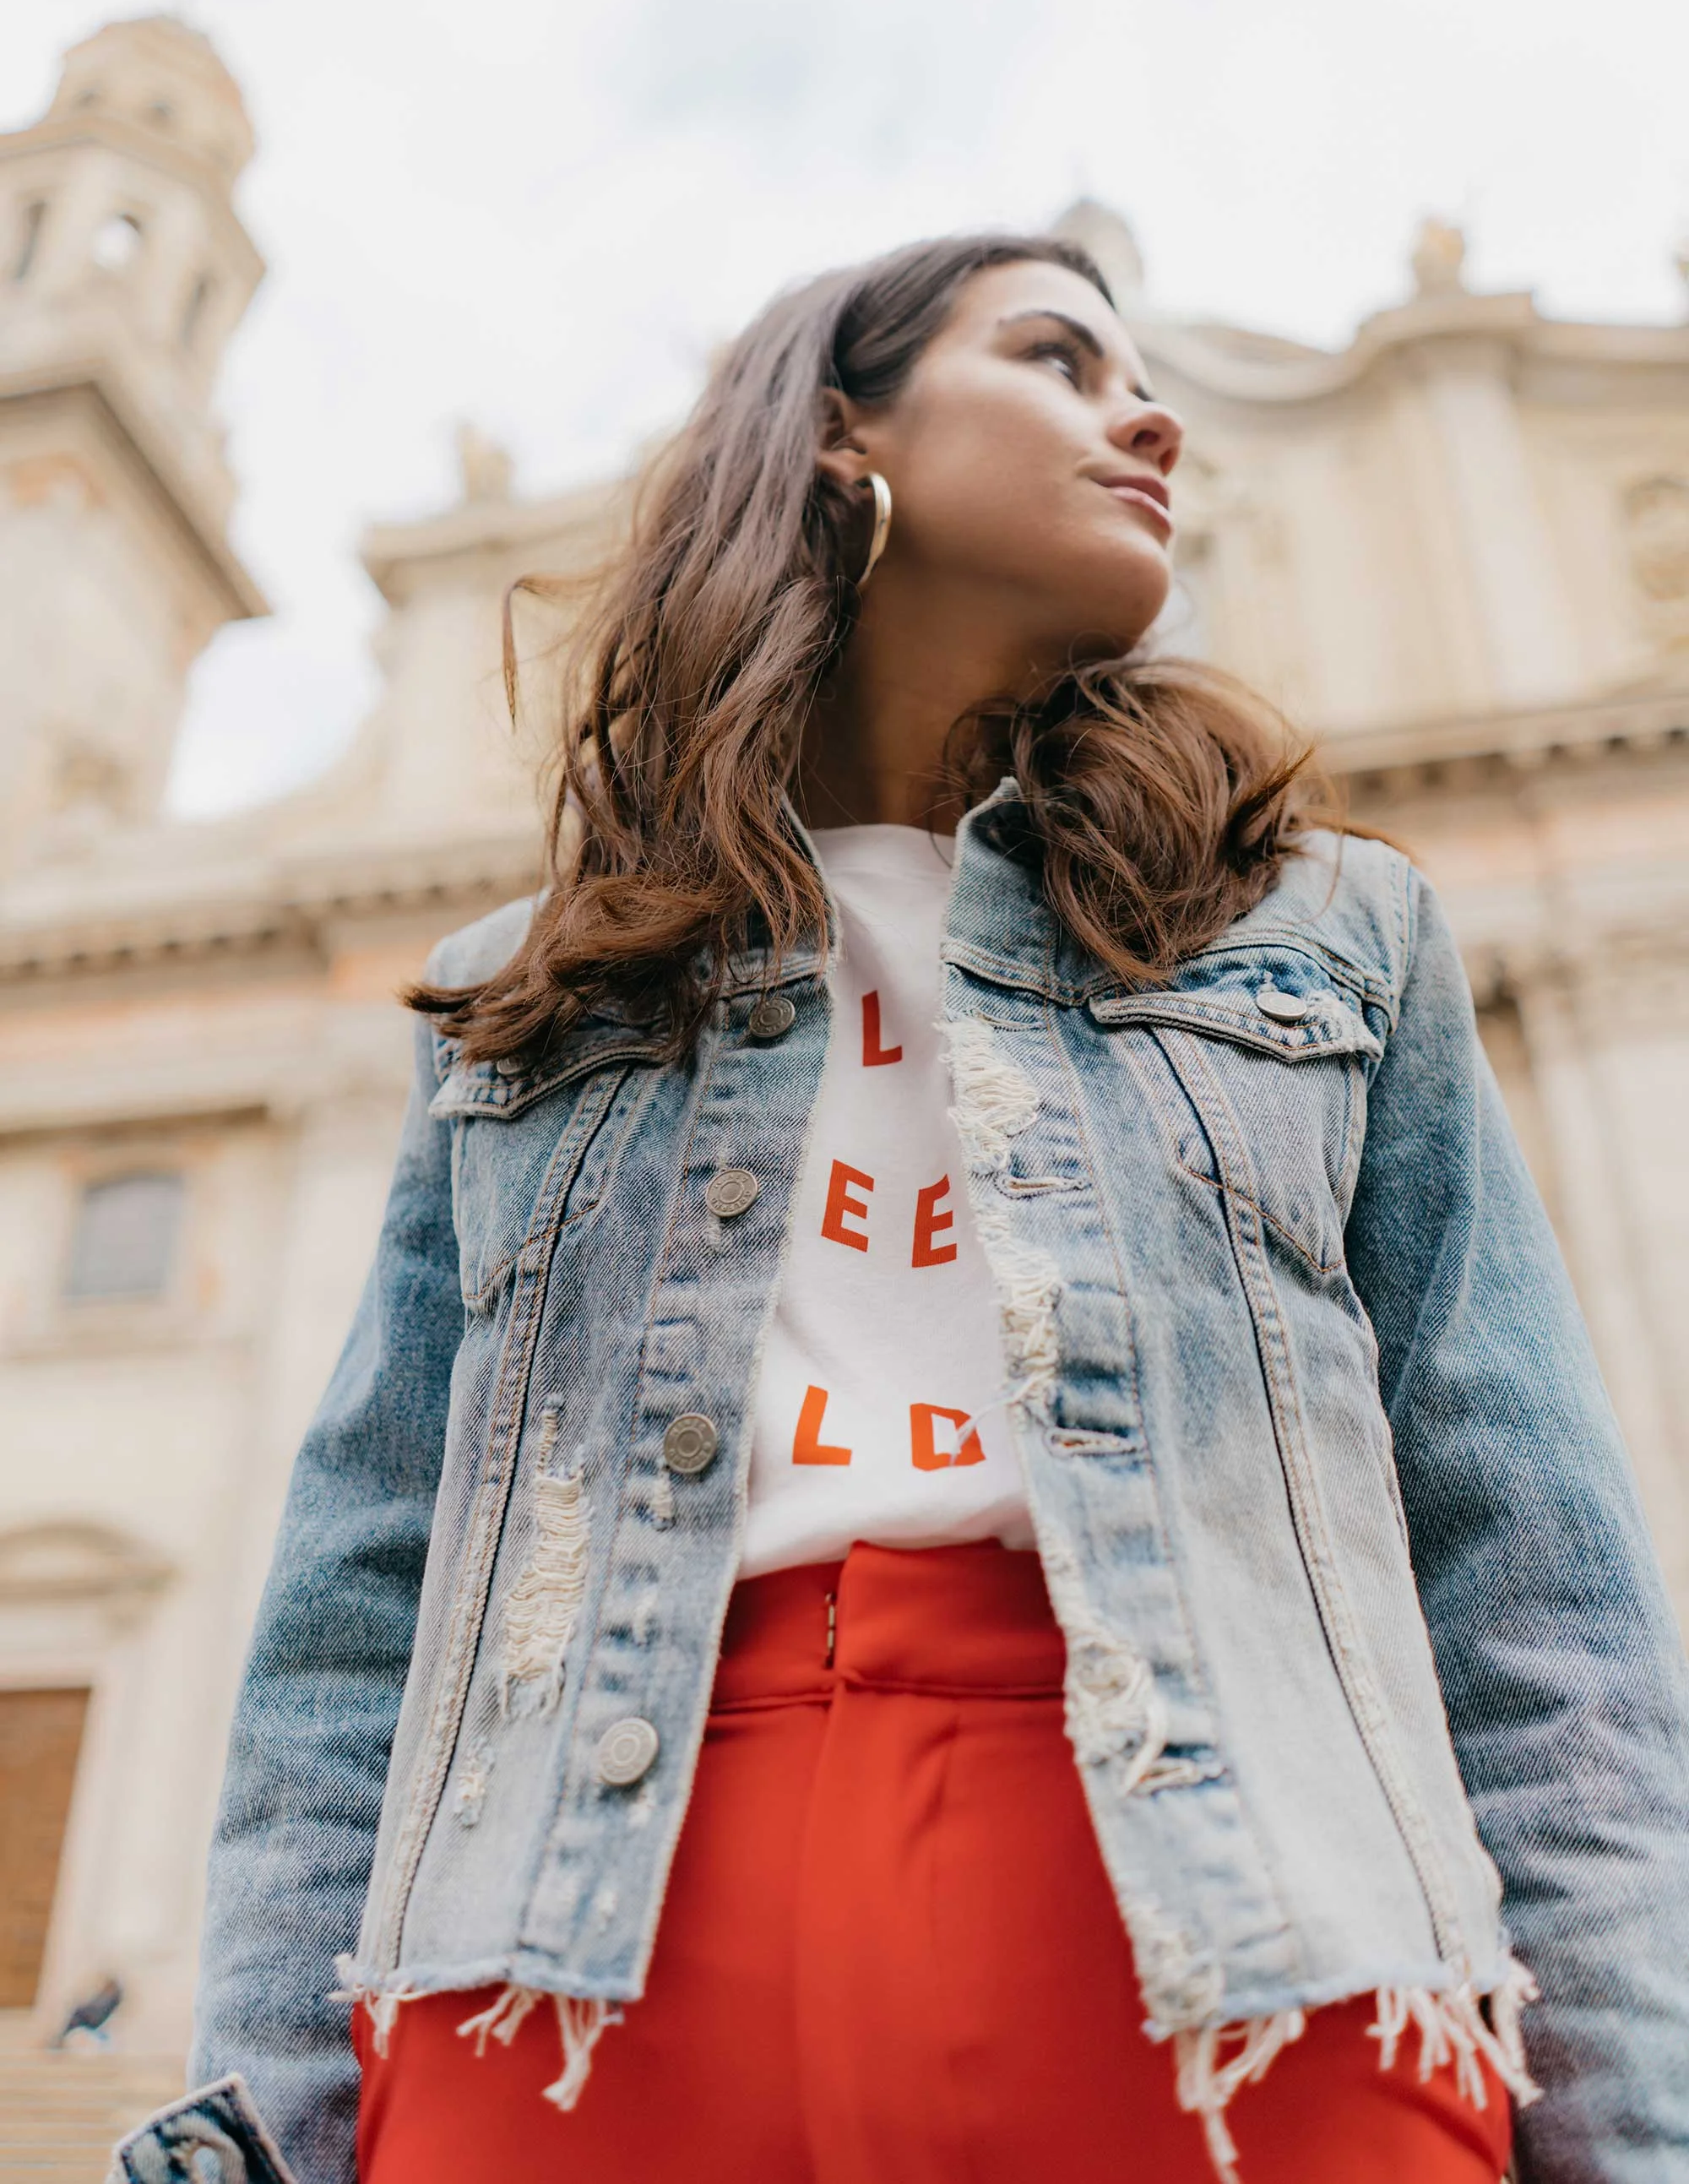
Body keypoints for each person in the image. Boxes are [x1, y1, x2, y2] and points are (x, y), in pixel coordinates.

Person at [112, 236, 1689, 2184]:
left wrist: (1628, 2126)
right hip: (570, 1969)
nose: (1150, 411)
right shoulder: (530, 983)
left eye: (1144, 370)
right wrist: (276, 2111)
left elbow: (1536, 1595)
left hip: (1248, 1935)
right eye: (1054, 353)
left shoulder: (1335, 933)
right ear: (839, 435)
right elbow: (359, 1602)